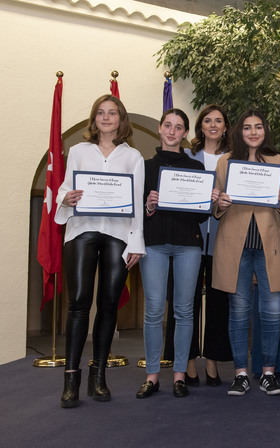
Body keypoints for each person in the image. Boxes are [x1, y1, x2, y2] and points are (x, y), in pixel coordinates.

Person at [56, 94, 145, 408]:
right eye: (101, 113)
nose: (107, 118)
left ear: (121, 120)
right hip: (82, 230)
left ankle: (99, 377)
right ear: (94, 119)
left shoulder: (132, 157)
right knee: (79, 303)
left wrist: (136, 243)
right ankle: (71, 379)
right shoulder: (79, 151)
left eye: (113, 113)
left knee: (108, 305)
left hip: (118, 234)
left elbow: (135, 202)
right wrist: (65, 198)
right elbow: (66, 186)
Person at [212, 109, 280, 397]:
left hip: (270, 247)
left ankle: (269, 373)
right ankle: (240, 374)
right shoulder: (226, 162)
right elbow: (217, 207)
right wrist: (220, 203)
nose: (253, 132)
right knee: (238, 312)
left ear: (265, 130)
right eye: (247, 128)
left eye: (258, 127)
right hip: (236, 249)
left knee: (272, 313)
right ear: (239, 132)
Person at [136, 108, 208, 399]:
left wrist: (205, 201)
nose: (172, 131)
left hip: (188, 245)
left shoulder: (196, 168)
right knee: (153, 310)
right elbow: (137, 210)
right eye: (168, 125)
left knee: (184, 310)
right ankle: (152, 376)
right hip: (154, 243)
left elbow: (203, 217)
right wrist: (149, 205)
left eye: (179, 127)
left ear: (185, 134)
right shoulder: (145, 166)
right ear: (160, 129)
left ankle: (179, 375)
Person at [184, 105, 234, 386]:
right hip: (191, 238)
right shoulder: (188, 156)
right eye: (207, 120)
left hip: (223, 240)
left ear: (226, 127)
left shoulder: (234, 159)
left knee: (218, 303)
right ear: (200, 127)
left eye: (218, 121)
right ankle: (189, 362)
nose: (213, 125)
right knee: (187, 302)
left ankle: (213, 363)